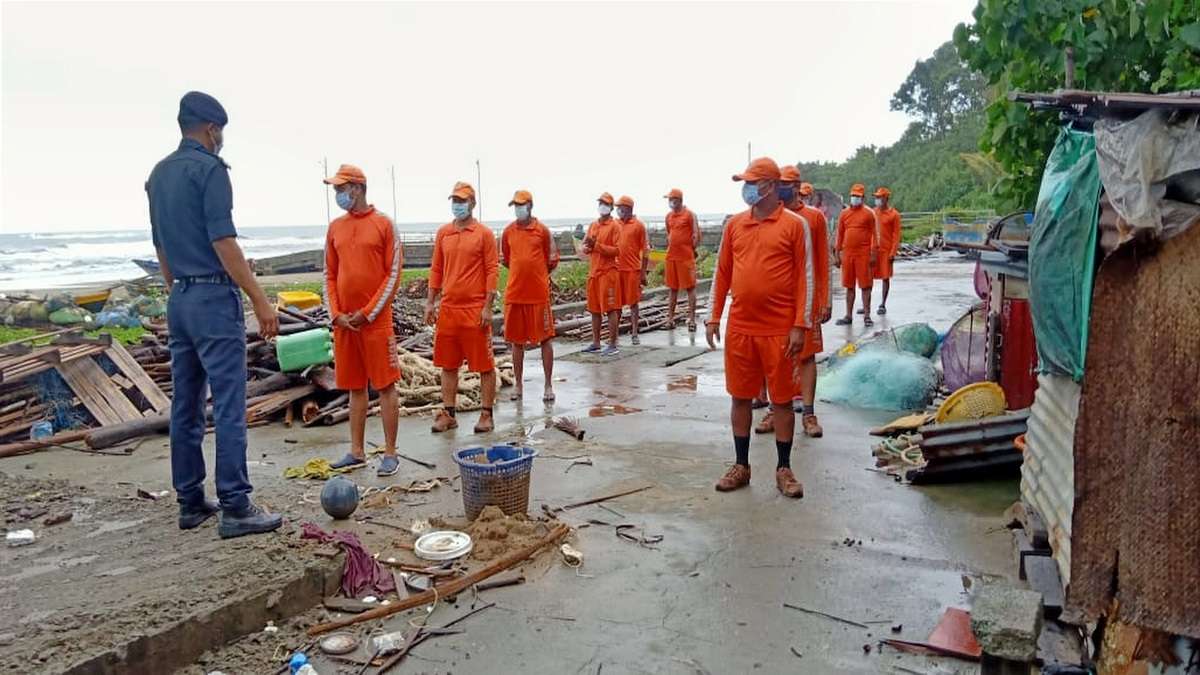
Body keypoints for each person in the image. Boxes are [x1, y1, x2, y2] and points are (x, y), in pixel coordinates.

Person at [145, 91, 282, 538]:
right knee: (228, 404)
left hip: (180, 297)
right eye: (220, 132)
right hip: (211, 299)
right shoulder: (210, 171)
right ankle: (235, 505)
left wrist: (179, 293)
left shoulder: (159, 175)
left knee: (185, 404)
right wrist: (260, 299)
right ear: (211, 129)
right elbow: (224, 242)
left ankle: (189, 501)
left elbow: (161, 248)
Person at [706, 157, 811, 499]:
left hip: (779, 330)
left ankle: (784, 468)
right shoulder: (735, 225)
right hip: (741, 327)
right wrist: (713, 316)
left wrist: (800, 324)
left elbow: (804, 278)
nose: (746, 188)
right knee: (740, 397)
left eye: (751, 182)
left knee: (781, 401)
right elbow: (721, 274)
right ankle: (741, 465)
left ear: (769, 186)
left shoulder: (795, 225)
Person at [322, 164, 404, 476]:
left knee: (385, 386)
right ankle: (356, 451)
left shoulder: (384, 224)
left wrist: (368, 312)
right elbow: (329, 273)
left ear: (357, 188)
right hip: (345, 324)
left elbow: (392, 275)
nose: (337, 194)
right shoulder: (335, 227)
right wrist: (336, 314)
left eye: (341, 189)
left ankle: (390, 452)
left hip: (376, 324)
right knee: (355, 387)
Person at [754, 166, 830, 438]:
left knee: (807, 356)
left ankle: (808, 414)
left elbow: (823, 261)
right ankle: (776, 410)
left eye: (787, 184)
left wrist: (825, 299)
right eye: (779, 184)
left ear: (797, 186)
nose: (782, 188)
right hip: (776, 303)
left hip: (806, 299)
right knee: (775, 358)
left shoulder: (814, 218)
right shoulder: (771, 216)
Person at [426, 182, 499, 433]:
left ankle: (486, 414)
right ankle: (449, 413)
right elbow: (436, 269)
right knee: (448, 364)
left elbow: (492, 269)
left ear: (473, 203)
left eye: (462, 200)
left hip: (474, 308)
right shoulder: (444, 233)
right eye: (454, 200)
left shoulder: (484, 234)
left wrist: (488, 306)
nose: (458, 205)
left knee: (484, 364)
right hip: (448, 308)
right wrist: (430, 302)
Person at [500, 190, 559, 403]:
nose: (518, 209)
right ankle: (518, 384)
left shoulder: (542, 231)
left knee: (545, 339)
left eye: (521, 204)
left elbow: (552, 260)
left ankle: (548, 384)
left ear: (530, 205)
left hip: (538, 295)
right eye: (515, 205)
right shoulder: (508, 232)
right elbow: (506, 259)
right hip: (515, 294)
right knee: (517, 342)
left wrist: (538, 275)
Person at [581, 192, 622, 356]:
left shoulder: (615, 226)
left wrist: (596, 245)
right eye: (600, 203)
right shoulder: (593, 225)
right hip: (594, 272)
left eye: (605, 203)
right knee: (594, 309)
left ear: (611, 207)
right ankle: (596, 342)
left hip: (608, 272)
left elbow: (617, 250)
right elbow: (586, 244)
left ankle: (613, 343)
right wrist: (587, 248)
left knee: (611, 308)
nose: (602, 206)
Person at [833, 183, 879, 326]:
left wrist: (873, 252)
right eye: (853, 195)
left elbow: (874, 234)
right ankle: (848, 315)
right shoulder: (844, 214)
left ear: (863, 197)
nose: (855, 198)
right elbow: (839, 234)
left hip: (863, 254)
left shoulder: (869, 213)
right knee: (849, 286)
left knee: (865, 286)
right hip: (847, 254)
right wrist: (837, 253)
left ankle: (867, 315)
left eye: (858, 196)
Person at [663, 188, 700, 331]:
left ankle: (691, 320)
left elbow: (696, 234)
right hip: (671, 257)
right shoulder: (668, 216)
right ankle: (670, 319)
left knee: (690, 288)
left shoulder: (690, 215)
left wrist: (691, 249)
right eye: (669, 200)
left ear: (679, 200)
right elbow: (669, 233)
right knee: (672, 289)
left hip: (685, 258)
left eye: (672, 199)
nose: (670, 202)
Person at [615, 195, 650, 345]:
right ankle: (614, 334)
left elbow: (646, 250)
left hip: (633, 270)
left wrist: (643, 272)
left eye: (620, 207)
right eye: (617, 208)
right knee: (616, 304)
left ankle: (635, 332)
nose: (618, 210)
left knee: (633, 303)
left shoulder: (639, 225)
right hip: (617, 270)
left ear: (628, 209)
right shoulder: (615, 224)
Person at [872, 187, 902, 315]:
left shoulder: (894, 215)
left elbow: (896, 235)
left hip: (886, 250)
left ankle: (883, 304)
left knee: (885, 277)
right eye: (876, 197)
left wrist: (893, 252)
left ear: (886, 199)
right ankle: (865, 304)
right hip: (874, 250)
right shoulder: (873, 212)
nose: (877, 200)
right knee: (867, 277)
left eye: (880, 197)